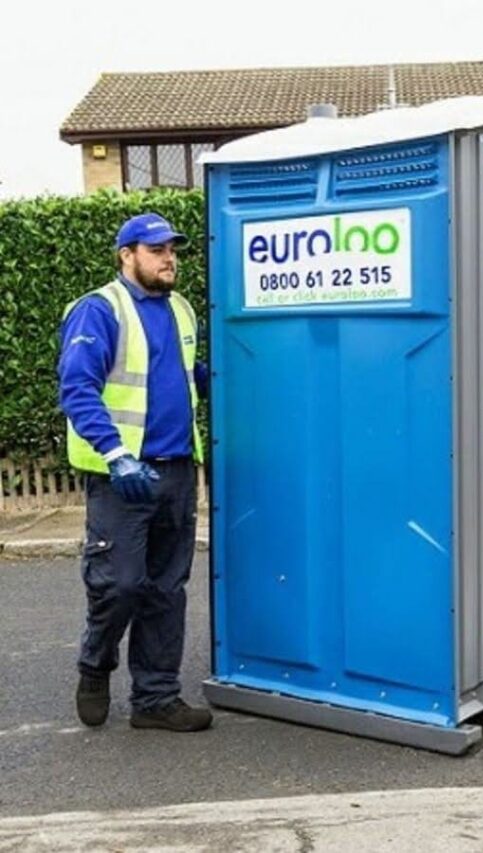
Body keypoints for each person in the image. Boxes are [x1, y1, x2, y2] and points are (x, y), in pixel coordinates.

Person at [58, 212, 212, 732]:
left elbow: (186, 375)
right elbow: (78, 388)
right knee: (120, 585)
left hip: (175, 471)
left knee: (166, 590)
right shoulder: (100, 310)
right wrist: (115, 453)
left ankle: (155, 698)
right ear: (127, 255)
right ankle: (95, 663)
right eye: (156, 250)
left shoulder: (182, 309)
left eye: (172, 250)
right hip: (122, 477)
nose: (169, 259)